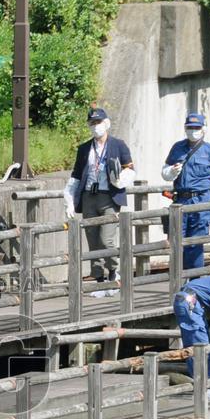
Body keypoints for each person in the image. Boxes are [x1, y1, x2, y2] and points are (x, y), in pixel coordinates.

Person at [64, 107, 136, 298]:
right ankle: (99, 280)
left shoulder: (118, 145)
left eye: (99, 122)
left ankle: (113, 273)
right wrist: (69, 201)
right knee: (93, 239)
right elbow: (76, 176)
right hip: (89, 197)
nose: (96, 127)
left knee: (107, 239)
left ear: (107, 123)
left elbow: (130, 169)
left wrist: (121, 180)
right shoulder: (84, 149)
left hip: (109, 197)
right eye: (92, 123)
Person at [161, 113, 210, 271]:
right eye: (190, 127)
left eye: (196, 127)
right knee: (177, 242)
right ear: (185, 128)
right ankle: (178, 281)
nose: (193, 130)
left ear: (203, 129)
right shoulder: (177, 148)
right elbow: (165, 172)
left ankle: (194, 282)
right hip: (180, 201)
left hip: (201, 202)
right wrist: (171, 171)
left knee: (196, 243)